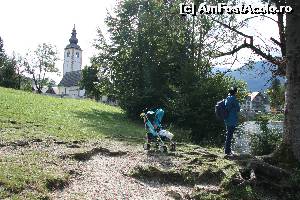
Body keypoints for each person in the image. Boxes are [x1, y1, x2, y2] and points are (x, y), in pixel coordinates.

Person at [224, 87, 240, 156]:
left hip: (227, 119)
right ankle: (227, 151)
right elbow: (238, 108)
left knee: (228, 134)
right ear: (235, 92)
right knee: (230, 135)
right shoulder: (233, 99)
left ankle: (228, 150)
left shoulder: (227, 98)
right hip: (232, 119)